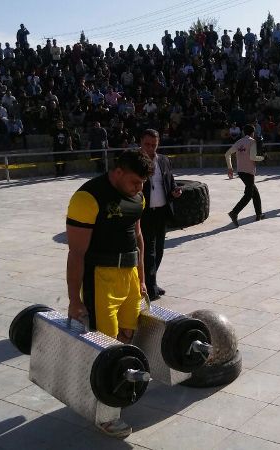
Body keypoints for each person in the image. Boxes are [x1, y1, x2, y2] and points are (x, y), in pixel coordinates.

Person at [65, 149, 152, 439]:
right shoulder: (87, 198)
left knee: (127, 337)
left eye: (143, 183)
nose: (140, 188)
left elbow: (138, 236)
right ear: (117, 171)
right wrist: (74, 300)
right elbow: (76, 253)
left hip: (129, 277)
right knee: (106, 346)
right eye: (135, 182)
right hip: (100, 279)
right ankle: (105, 414)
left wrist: (141, 279)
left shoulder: (138, 195)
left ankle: (114, 391)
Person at [139, 129, 181, 300]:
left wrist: (174, 191)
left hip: (162, 211)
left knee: (159, 249)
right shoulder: (134, 161)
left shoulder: (163, 160)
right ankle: (148, 286)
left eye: (154, 145)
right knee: (148, 250)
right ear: (140, 142)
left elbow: (169, 182)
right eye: (147, 144)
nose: (150, 148)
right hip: (144, 212)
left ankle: (152, 282)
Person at [225, 124, 265, 226]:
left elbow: (227, 154)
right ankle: (234, 213)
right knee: (248, 195)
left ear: (243, 132)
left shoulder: (239, 142)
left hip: (241, 171)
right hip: (249, 171)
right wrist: (263, 158)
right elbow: (253, 157)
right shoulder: (252, 142)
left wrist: (230, 167)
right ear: (253, 133)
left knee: (254, 192)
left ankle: (259, 214)